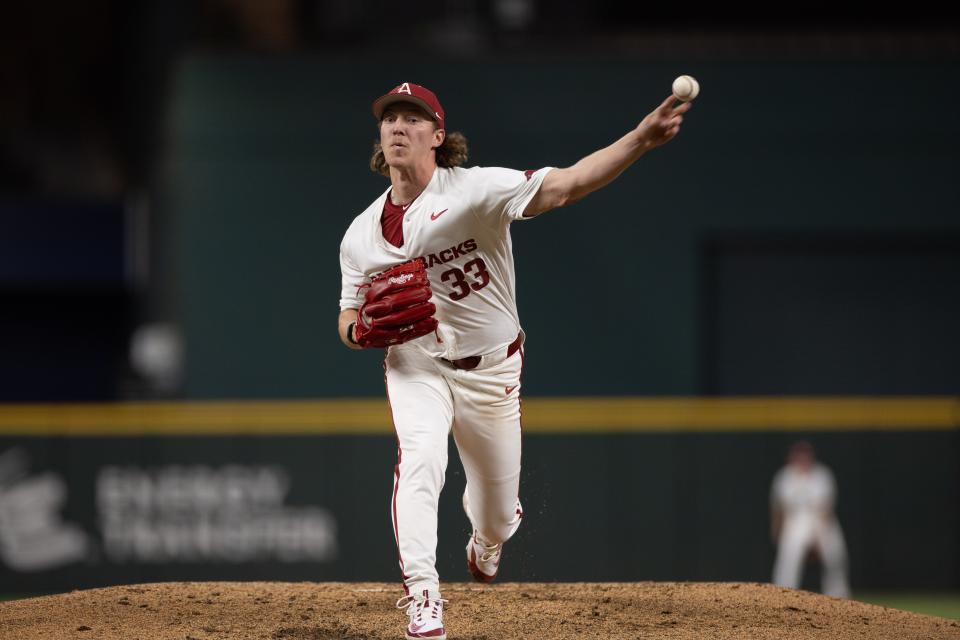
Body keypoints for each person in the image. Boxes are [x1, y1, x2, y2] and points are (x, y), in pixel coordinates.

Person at [337, 81, 691, 640]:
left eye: (413, 118)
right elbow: (348, 316)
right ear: (381, 137)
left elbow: (569, 185)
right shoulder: (360, 234)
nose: (398, 126)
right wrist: (359, 331)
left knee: (499, 514)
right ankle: (424, 598)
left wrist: (640, 141)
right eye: (390, 119)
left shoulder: (477, 191)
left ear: (437, 136)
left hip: (491, 370)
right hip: (417, 365)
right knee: (420, 459)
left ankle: (487, 537)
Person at [770, 441, 851, 598]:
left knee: (835, 553)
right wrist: (777, 530)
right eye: (799, 455)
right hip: (795, 521)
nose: (802, 459)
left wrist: (821, 537)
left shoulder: (822, 475)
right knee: (789, 557)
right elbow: (779, 509)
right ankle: (782, 594)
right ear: (792, 457)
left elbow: (827, 508)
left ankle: (839, 595)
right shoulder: (784, 477)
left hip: (820, 519)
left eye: (805, 455)